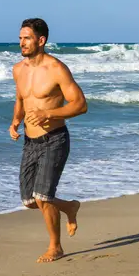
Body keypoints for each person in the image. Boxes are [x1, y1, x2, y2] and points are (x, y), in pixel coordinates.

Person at [9, 18, 88, 263]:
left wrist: (49, 113)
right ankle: (68, 207)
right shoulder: (18, 70)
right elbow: (21, 99)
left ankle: (56, 247)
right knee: (30, 200)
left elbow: (80, 105)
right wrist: (15, 122)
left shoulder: (56, 69)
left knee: (43, 196)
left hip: (54, 139)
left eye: (27, 38)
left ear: (41, 41)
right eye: (20, 37)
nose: (22, 42)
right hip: (31, 142)